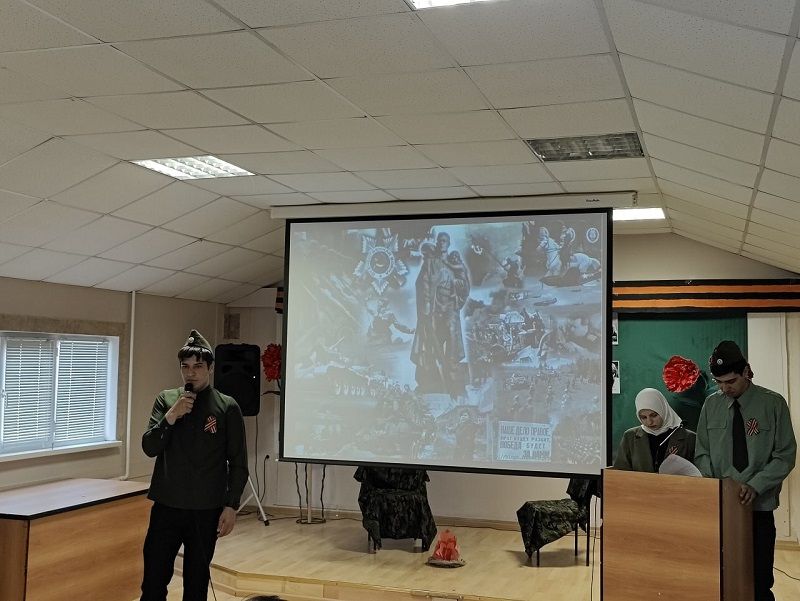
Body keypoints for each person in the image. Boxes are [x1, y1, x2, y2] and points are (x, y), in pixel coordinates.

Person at [140, 330, 248, 601]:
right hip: (167, 505)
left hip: (205, 509)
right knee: (153, 582)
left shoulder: (226, 406)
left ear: (210, 368)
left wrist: (231, 505)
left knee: (196, 585)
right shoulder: (167, 400)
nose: (191, 373)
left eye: (198, 366)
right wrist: (171, 416)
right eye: (185, 367)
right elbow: (149, 447)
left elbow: (238, 462)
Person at [695, 341, 796, 601]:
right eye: (719, 382)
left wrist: (755, 485)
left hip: (759, 507)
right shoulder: (711, 406)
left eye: (731, 381)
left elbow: (785, 455)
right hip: (722, 508)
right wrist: (718, 488)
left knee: (759, 581)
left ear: (746, 372)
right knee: (721, 577)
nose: (724, 388)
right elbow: (702, 452)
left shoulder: (773, 404)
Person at [410, 231, 470, 399]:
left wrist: (457, 284)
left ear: (448, 243)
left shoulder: (453, 262)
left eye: (445, 240)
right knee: (430, 344)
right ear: (437, 243)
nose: (442, 243)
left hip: (450, 306)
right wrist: (427, 305)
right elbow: (422, 283)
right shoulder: (430, 262)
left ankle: (454, 383)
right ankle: (431, 382)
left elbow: (464, 284)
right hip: (434, 308)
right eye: (440, 240)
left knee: (452, 340)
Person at [613, 388, 696, 472]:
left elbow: (696, 472)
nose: (649, 422)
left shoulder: (689, 438)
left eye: (654, 415)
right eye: (643, 417)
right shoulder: (630, 436)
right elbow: (620, 471)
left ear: (663, 410)